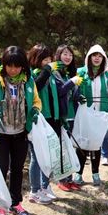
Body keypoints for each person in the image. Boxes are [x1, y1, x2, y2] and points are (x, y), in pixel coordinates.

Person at [0, 46, 42, 215]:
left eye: (17, 66)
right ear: (3, 65)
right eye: (9, 66)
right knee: (0, 169)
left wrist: (36, 110)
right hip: (0, 133)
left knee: (17, 169)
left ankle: (16, 203)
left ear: (23, 66)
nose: (12, 70)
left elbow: (36, 101)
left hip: (21, 132)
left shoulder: (29, 81)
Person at [27, 44, 65, 204]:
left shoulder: (52, 75)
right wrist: (47, 70)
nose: (48, 62)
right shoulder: (32, 75)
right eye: (45, 59)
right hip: (39, 120)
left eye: (50, 59)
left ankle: (45, 186)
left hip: (53, 119)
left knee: (48, 155)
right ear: (36, 59)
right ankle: (34, 190)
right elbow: (36, 86)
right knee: (36, 157)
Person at [74, 45, 108, 186]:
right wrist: (79, 97)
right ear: (89, 57)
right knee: (83, 143)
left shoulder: (107, 74)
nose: (97, 58)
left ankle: (95, 173)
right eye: (94, 55)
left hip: (99, 114)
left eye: (99, 56)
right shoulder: (81, 72)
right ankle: (78, 174)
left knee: (96, 144)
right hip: (85, 113)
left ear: (103, 58)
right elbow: (75, 89)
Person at [53, 44, 82, 192]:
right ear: (58, 55)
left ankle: (69, 179)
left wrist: (79, 96)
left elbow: (72, 95)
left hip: (72, 115)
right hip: (61, 116)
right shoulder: (55, 73)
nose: (68, 57)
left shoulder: (69, 73)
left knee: (70, 148)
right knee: (62, 148)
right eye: (64, 54)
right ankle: (61, 179)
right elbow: (59, 92)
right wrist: (72, 82)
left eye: (70, 55)